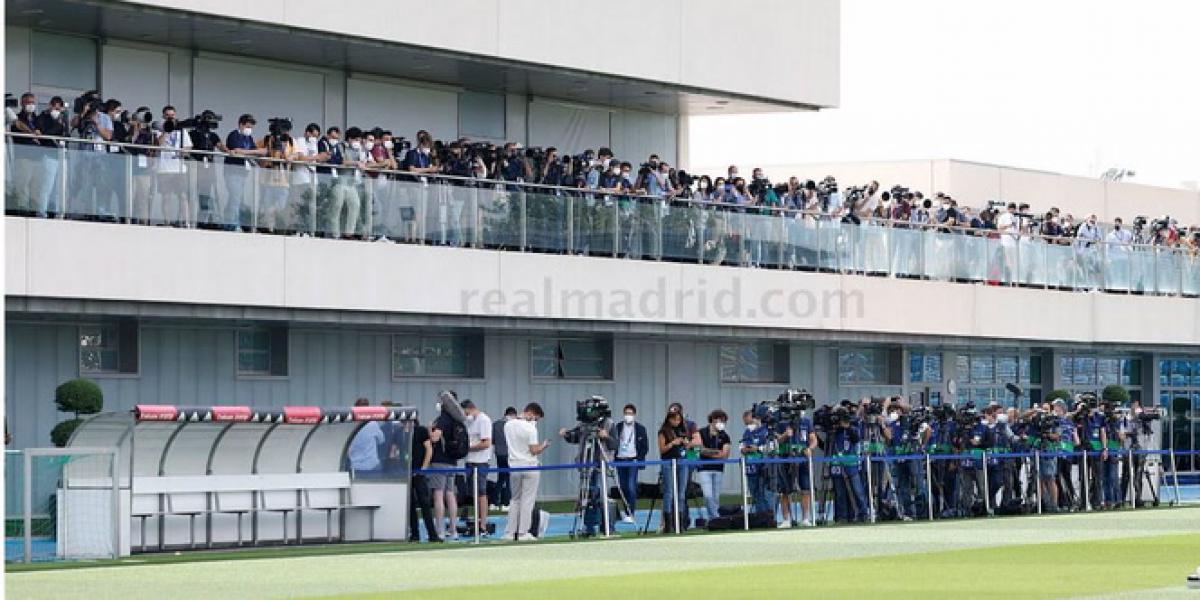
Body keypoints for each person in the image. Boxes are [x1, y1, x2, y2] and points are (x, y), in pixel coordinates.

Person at [503, 402, 549, 542]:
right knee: (527, 501)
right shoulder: (530, 429)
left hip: (514, 465)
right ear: (530, 413)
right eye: (535, 418)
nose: (535, 421)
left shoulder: (508, 425)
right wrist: (544, 446)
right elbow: (534, 450)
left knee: (515, 499)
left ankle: (510, 532)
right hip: (529, 465)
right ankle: (523, 532)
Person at [428, 392, 464, 541]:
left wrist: (430, 429)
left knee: (438, 495)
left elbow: (435, 437)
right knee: (450, 494)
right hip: (452, 462)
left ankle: (440, 530)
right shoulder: (457, 420)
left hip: (439, 461)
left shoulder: (443, 419)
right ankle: (453, 529)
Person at [224, 115, 266, 231]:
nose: (249, 129)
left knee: (237, 198)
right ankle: (233, 224)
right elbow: (237, 150)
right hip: (232, 171)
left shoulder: (249, 138)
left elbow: (258, 152)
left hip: (243, 173)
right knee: (235, 198)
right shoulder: (234, 135)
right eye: (248, 126)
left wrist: (249, 152)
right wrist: (254, 152)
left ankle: (228, 223)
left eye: (251, 127)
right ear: (241, 125)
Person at [657, 409, 696, 532]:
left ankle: (680, 522)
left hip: (682, 462)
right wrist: (673, 443)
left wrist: (686, 443)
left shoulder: (683, 430)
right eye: (674, 419)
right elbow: (662, 449)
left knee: (681, 493)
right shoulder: (663, 432)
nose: (677, 422)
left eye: (679, 419)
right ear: (669, 419)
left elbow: (690, 446)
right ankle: (668, 524)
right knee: (669, 492)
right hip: (668, 462)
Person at [155, 107, 193, 227]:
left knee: (182, 196)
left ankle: (186, 221)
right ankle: (167, 221)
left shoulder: (181, 130)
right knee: (166, 196)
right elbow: (158, 144)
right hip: (164, 168)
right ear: (163, 116)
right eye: (167, 115)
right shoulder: (158, 128)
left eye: (172, 115)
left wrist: (183, 152)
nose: (170, 117)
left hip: (179, 168)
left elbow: (188, 147)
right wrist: (167, 130)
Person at [612, 404, 649, 523]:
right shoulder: (617, 427)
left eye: (630, 413)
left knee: (631, 487)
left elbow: (644, 446)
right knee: (623, 488)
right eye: (626, 413)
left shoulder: (640, 428)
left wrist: (640, 458)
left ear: (634, 415)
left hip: (633, 460)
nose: (628, 416)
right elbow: (612, 442)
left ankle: (630, 512)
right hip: (620, 460)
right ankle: (626, 510)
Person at [461, 399, 493, 536]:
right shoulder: (470, 422)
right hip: (470, 460)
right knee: (473, 494)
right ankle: (477, 520)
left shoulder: (483, 420)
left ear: (470, 409)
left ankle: (483, 524)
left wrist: (469, 448)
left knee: (481, 492)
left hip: (480, 461)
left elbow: (486, 443)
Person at [408, 414, 441, 542]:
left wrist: (423, 468)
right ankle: (414, 534)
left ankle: (432, 534)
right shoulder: (400, 433)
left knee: (425, 503)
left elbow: (429, 449)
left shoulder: (420, 431)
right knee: (410, 505)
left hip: (419, 472)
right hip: (408, 473)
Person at [696, 410, 731, 523]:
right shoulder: (701, 432)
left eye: (723, 421)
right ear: (713, 420)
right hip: (704, 469)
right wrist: (716, 452)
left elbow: (725, 455)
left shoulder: (724, 435)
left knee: (715, 497)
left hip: (718, 469)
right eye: (720, 420)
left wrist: (708, 452)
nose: (721, 423)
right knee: (708, 495)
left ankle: (713, 519)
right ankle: (715, 518)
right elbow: (700, 451)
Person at [739, 410, 773, 516]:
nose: (749, 424)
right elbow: (741, 447)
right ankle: (760, 516)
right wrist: (747, 449)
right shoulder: (747, 432)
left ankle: (768, 516)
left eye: (750, 421)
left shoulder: (766, 430)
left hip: (764, 467)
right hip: (750, 467)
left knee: (765, 493)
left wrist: (757, 448)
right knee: (755, 493)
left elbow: (771, 447)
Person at [347, 398, 384, 478]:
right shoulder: (373, 424)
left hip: (356, 467)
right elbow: (381, 440)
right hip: (373, 465)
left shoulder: (348, 425)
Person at [490, 406, 517, 511]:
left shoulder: (496, 424)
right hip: (510, 454)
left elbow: (492, 440)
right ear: (512, 415)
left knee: (501, 477)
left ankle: (494, 502)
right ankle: (507, 502)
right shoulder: (513, 425)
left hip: (499, 454)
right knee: (509, 477)